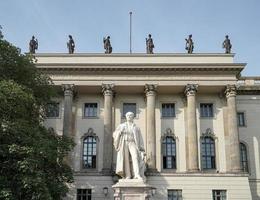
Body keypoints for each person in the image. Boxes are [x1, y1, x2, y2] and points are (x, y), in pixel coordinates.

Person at [113, 112, 146, 180]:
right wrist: (119, 132)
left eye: (131, 115)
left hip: (133, 142)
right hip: (124, 142)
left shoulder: (136, 127)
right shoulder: (121, 126)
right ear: (126, 116)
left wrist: (142, 150)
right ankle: (128, 175)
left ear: (133, 117)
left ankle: (136, 174)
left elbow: (140, 139)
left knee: (135, 157)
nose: (129, 116)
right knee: (126, 159)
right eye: (128, 115)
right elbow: (114, 134)